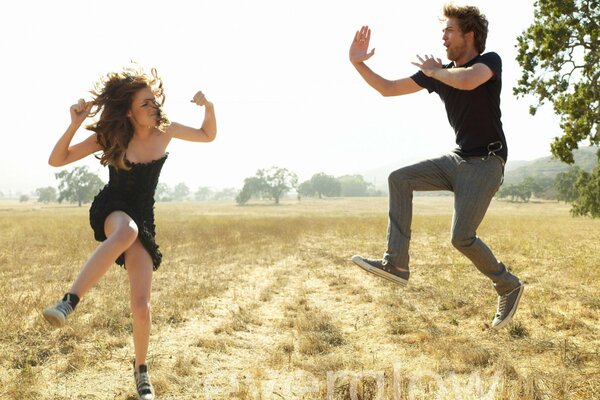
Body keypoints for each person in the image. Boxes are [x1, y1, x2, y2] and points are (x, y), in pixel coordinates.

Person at [42, 65, 216, 400]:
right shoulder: (111, 136)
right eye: (145, 104)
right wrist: (74, 124)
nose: (154, 107)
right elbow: (57, 160)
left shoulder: (166, 130)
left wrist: (208, 106)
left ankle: (141, 370)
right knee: (125, 231)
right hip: (113, 208)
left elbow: (207, 134)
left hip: (143, 219)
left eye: (154, 101)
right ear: (129, 112)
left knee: (141, 304)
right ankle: (68, 302)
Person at [349, 4, 523, 330]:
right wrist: (358, 63)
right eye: (443, 31)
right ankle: (396, 264)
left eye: (449, 30)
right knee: (399, 178)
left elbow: (468, 81)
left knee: (462, 238)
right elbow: (388, 88)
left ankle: (507, 285)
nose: (443, 37)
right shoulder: (438, 73)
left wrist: (436, 73)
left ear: (469, 34)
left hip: (486, 161)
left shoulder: (489, 61)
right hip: (458, 159)